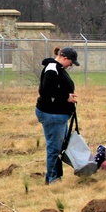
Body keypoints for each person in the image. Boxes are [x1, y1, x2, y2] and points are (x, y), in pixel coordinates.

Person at [35, 46, 79, 185]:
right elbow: (46, 92)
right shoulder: (52, 69)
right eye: (71, 63)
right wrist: (66, 97)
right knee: (54, 147)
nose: (70, 65)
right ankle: (52, 178)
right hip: (52, 114)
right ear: (64, 58)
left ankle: (56, 176)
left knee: (60, 146)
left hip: (58, 115)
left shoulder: (58, 68)